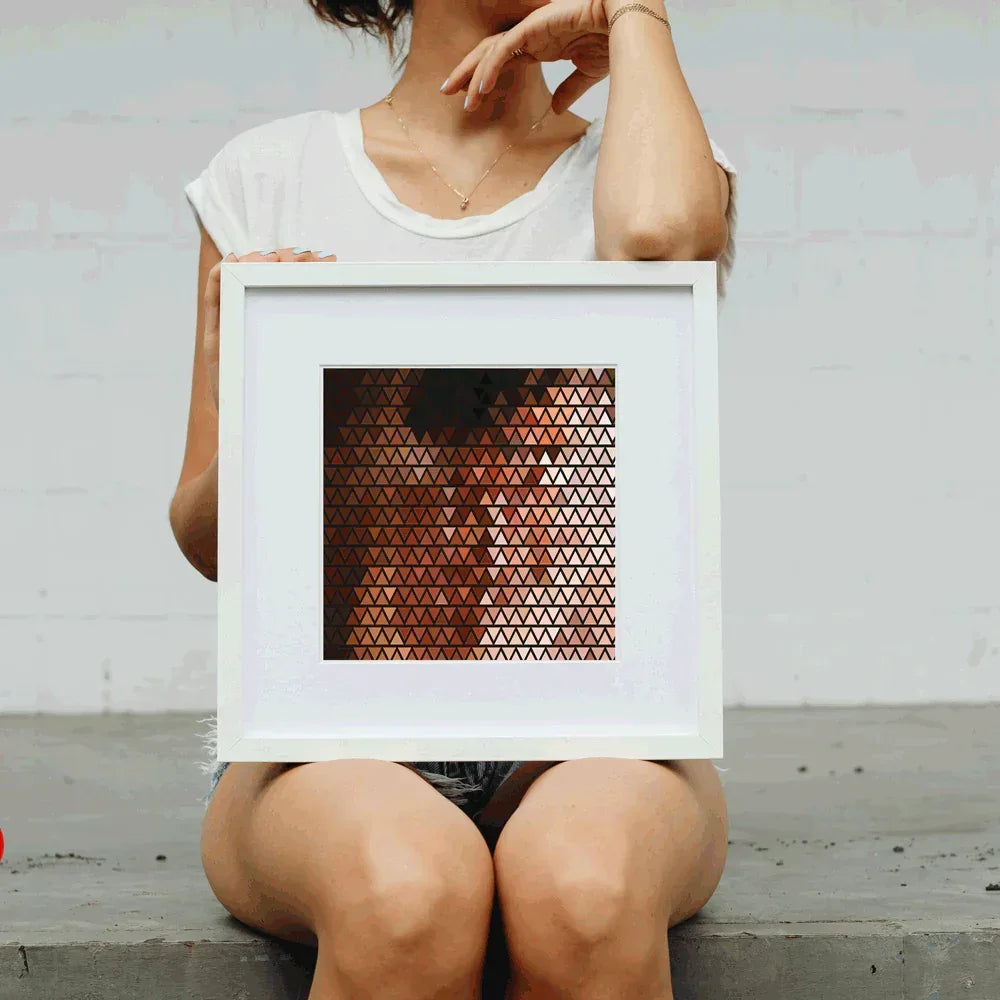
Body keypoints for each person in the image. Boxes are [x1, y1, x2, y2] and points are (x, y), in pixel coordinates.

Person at [170, 0, 737, 993]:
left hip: (595, 730)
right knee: (404, 894)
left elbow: (659, 239)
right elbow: (207, 539)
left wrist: (633, 16)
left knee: (586, 890)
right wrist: (262, 398)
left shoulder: (651, 162)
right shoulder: (269, 176)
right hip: (326, 741)